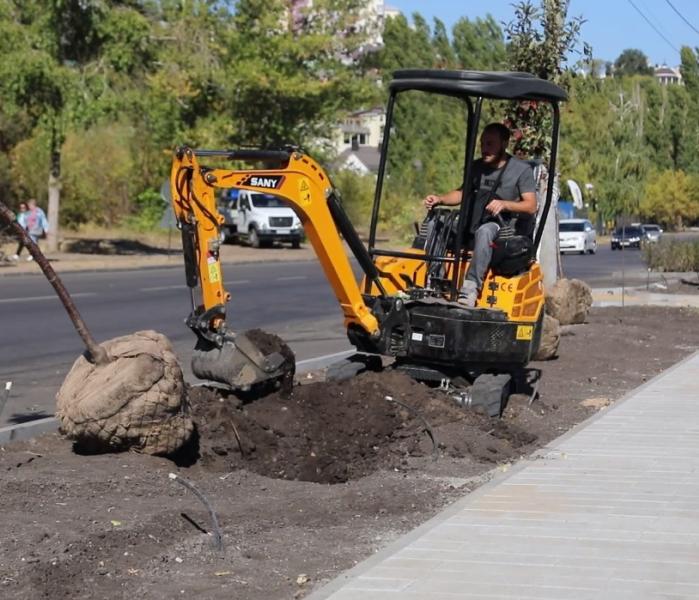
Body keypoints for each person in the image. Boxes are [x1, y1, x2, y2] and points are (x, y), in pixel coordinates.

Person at [423, 123, 537, 307]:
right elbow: (461, 193)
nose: (485, 149)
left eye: (490, 144)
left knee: (485, 232)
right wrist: (439, 199)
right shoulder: (476, 167)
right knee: (435, 223)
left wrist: (505, 204)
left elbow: (531, 206)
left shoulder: (521, 171)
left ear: (504, 143)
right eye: (483, 144)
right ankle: (437, 279)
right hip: (473, 220)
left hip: (502, 227)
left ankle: (470, 288)